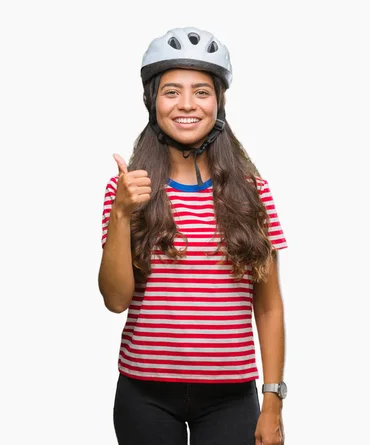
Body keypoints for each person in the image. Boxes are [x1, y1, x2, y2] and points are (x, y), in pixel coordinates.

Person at [98, 27, 288, 445]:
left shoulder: (253, 192)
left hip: (230, 398)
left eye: (201, 92)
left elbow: (269, 305)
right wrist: (122, 214)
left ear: (219, 102)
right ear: (152, 101)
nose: (187, 105)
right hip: (143, 393)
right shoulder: (126, 189)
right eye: (172, 92)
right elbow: (115, 301)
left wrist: (272, 402)